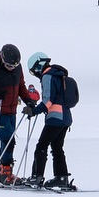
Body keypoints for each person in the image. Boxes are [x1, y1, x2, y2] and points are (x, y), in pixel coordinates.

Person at [0, 43, 38, 184]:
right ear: (2, 59)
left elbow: (20, 85)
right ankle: (5, 174)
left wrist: (28, 100)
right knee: (8, 140)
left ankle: (1, 174)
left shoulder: (17, 68)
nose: (12, 68)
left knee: (7, 141)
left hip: (11, 110)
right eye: (10, 66)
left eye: (15, 66)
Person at [27, 51, 76, 188]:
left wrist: (34, 111)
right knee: (57, 148)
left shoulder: (48, 76)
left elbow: (48, 100)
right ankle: (61, 178)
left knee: (41, 146)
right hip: (65, 118)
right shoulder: (58, 75)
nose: (35, 74)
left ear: (38, 66)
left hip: (55, 117)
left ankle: (37, 177)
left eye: (34, 71)